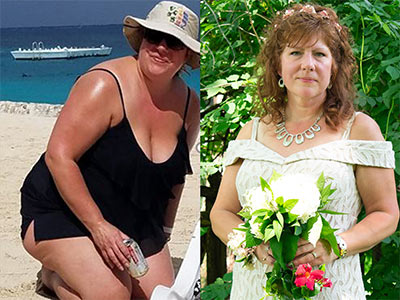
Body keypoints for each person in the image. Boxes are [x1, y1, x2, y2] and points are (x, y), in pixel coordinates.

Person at [210, 3, 398, 299]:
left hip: (329, 287)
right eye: (296, 53)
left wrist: (335, 245)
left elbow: (386, 214)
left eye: (320, 54)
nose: (308, 64)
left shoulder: (360, 130)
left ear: (334, 67)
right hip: (253, 289)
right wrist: (252, 243)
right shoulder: (251, 131)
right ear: (278, 65)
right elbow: (221, 212)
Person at [20, 1, 200, 299]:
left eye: (174, 42)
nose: (161, 47)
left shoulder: (189, 105)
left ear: (188, 54)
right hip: (64, 211)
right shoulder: (104, 84)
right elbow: (59, 157)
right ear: (141, 39)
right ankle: (52, 276)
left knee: (160, 295)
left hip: (132, 215)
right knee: (113, 294)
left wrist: (164, 233)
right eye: (154, 36)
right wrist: (99, 227)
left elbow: (175, 176)